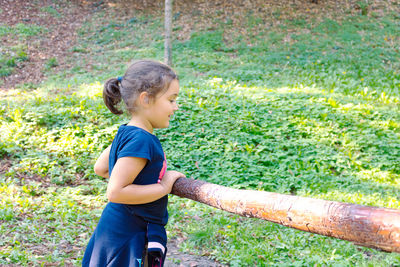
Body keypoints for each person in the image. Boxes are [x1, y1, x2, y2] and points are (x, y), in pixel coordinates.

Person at [82, 60, 185, 267]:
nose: (176, 106)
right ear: (146, 99)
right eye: (171, 100)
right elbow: (116, 192)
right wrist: (163, 187)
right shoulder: (141, 139)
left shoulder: (128, 132)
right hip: (128, 234)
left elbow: (101, 168)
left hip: (117, 229)